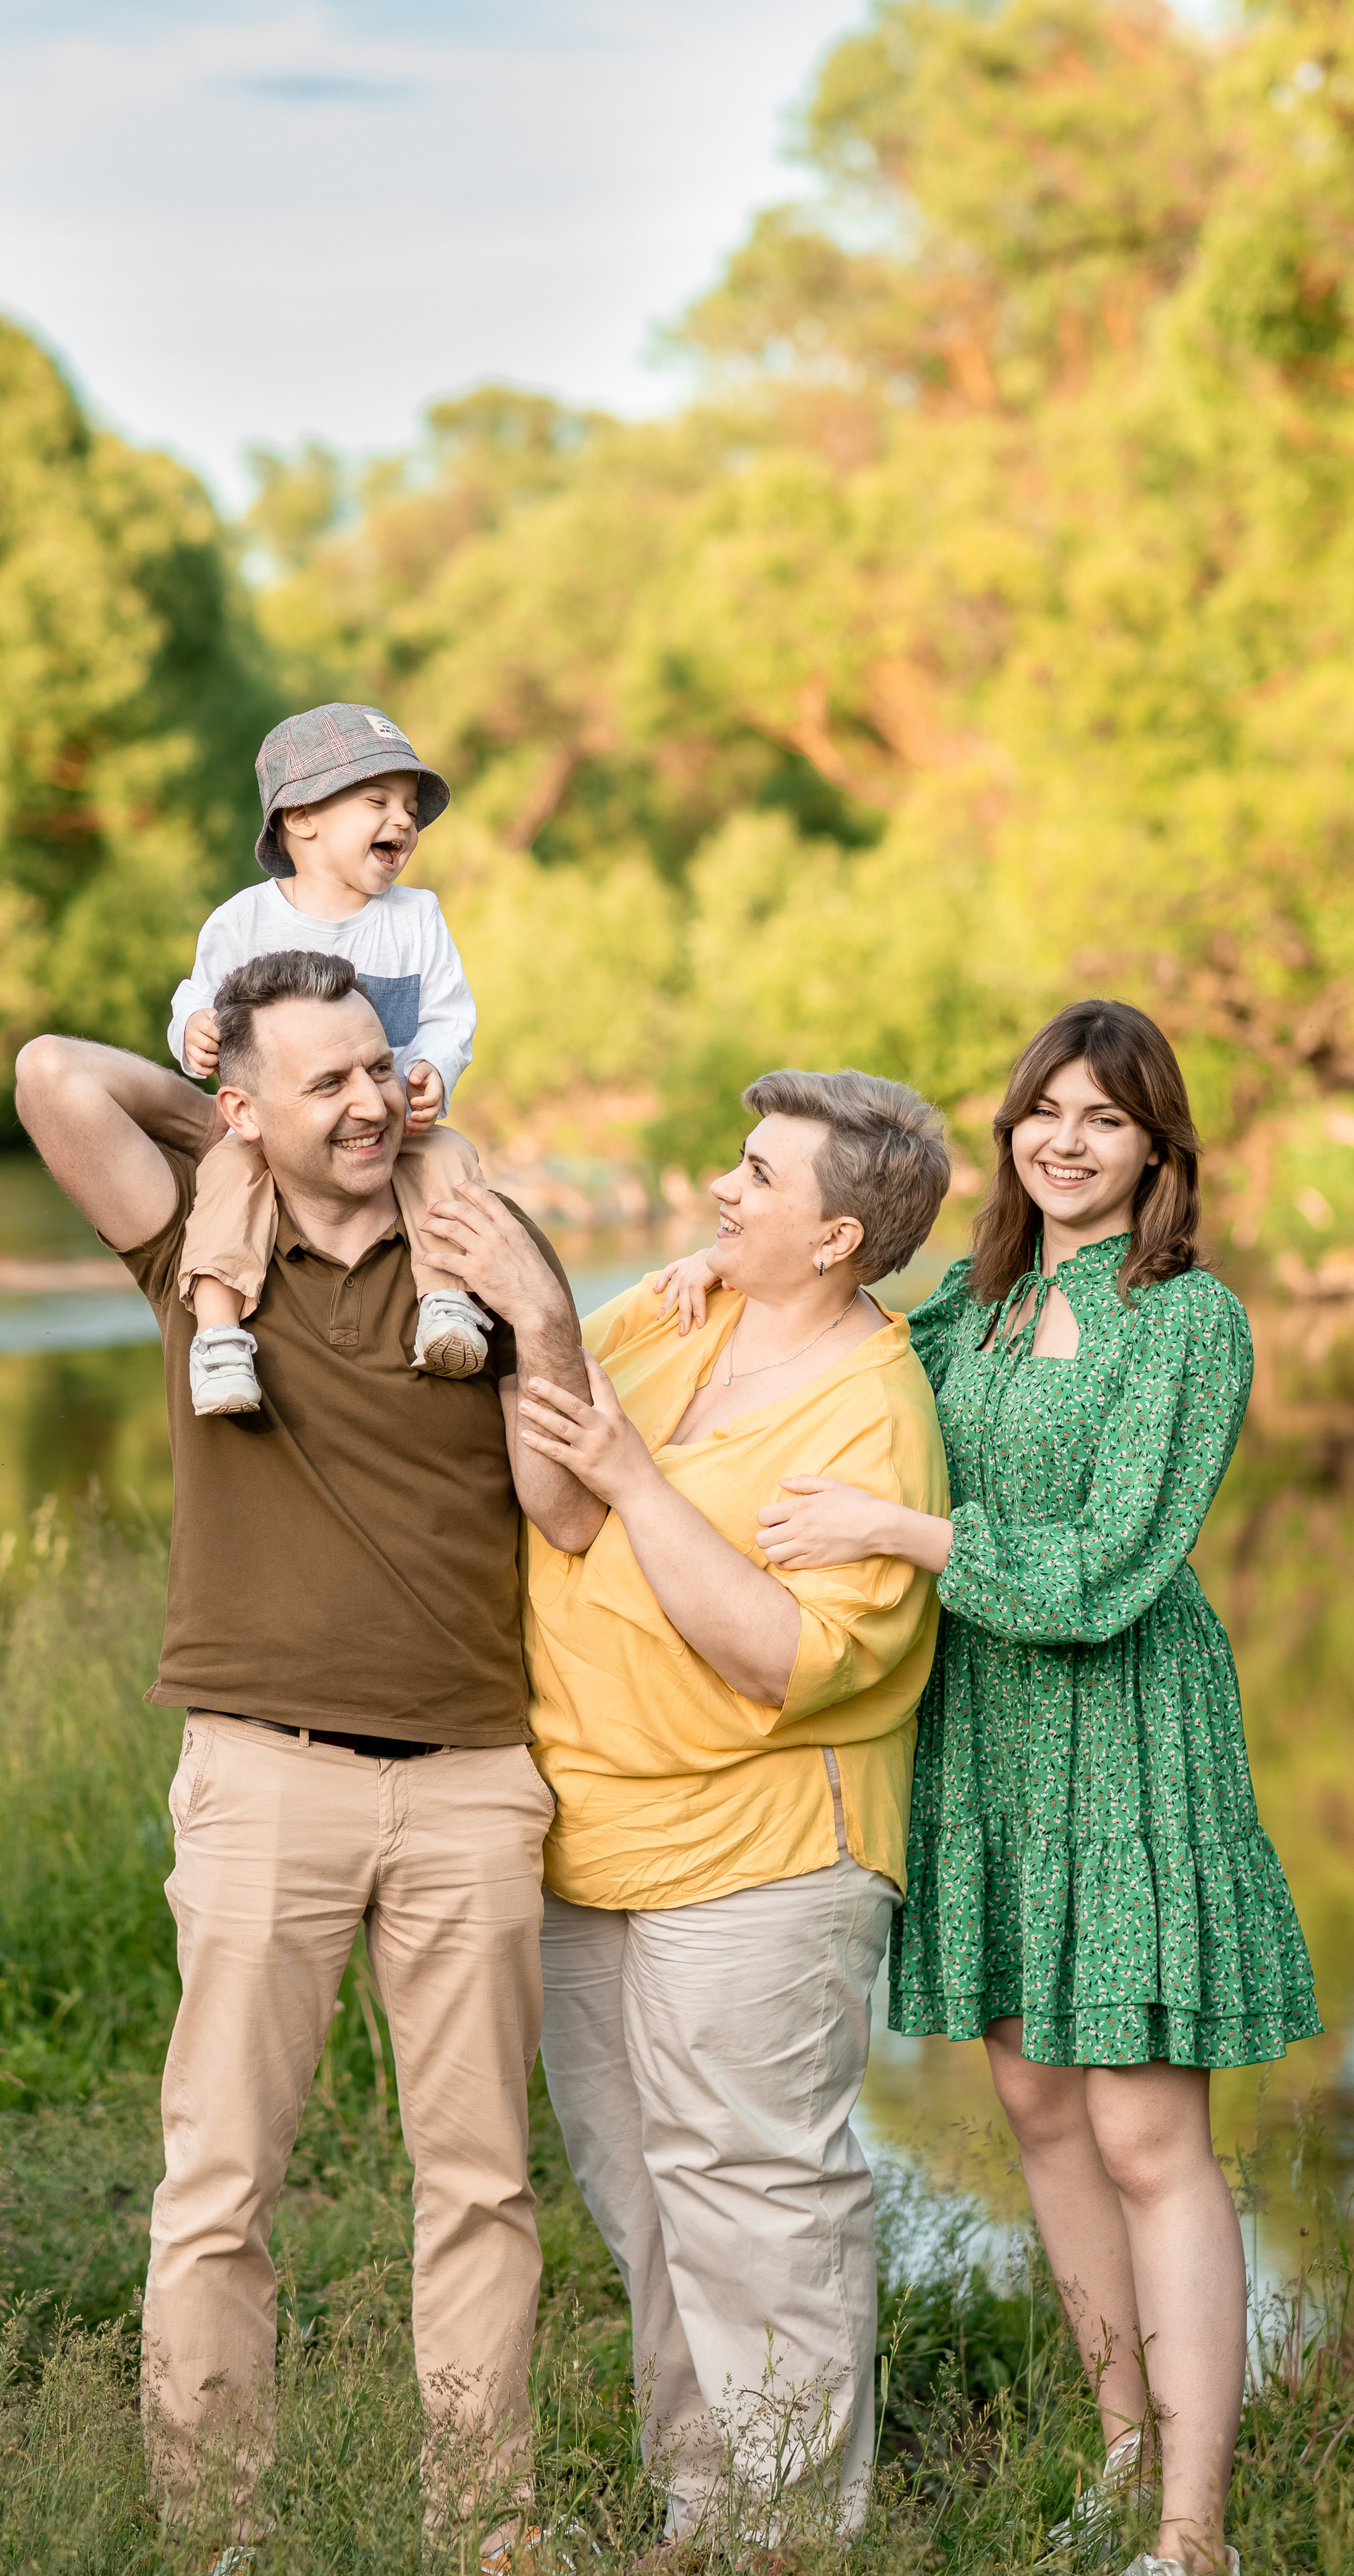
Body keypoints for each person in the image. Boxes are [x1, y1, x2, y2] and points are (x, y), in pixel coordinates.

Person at [665, 1001, 1318, 2576]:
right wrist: (707, 1276)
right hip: (985, 1740)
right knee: (1033, 2106)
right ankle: (1115, 2444)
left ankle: (1192, 2525)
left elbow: (1103, 1566)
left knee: (1147, 2133)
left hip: (1125, 1743)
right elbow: (832, 1313)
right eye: (1044, 1109)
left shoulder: (1185, 1318)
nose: (1065, 1139)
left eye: (1104, 1116)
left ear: (1157, 1146)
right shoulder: (969, 1303)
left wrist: (909, 1541)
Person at [14, 947, 600, 2559]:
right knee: (217, 2192)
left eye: (376, 1066)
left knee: (478, 2190)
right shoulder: (202, 1250)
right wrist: (229, 1130)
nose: (363, 1099)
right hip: (262, 1776)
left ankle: (486, 2536)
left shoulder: (471, 1248)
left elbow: (560, 1505)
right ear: (246, 1099)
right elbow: (56, 1074)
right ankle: (218, 2540)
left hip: (473, 1778)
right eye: (321, 1078)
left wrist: (540, 1312)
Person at [512, 1068, 954, 2544]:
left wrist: (641, 1481)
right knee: (642, 2191)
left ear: (834, 1237)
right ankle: (697, 2508)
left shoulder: (869, 1412)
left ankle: (788, 2533)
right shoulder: (673, 1313)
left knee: (756, 2193)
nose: (723, 1188)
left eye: (758, 1177)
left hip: (758, 1856)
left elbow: (786, 1657)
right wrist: (546, 1326)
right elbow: (554, 1496)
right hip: (593, 1834)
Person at [168, 699, 492, 1415]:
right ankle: (220, 1338)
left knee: (448, 1160)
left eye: (410, 807)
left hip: (389, 1127)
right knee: (226, 1177)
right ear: (302, 817)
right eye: (377, 800)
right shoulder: (246, 920)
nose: (403, 821)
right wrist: (191, 1028)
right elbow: (196, 994)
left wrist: (434, 1067)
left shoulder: (416, 918)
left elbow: (449, 1014)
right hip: (283, 1134)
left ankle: (444, 1301)